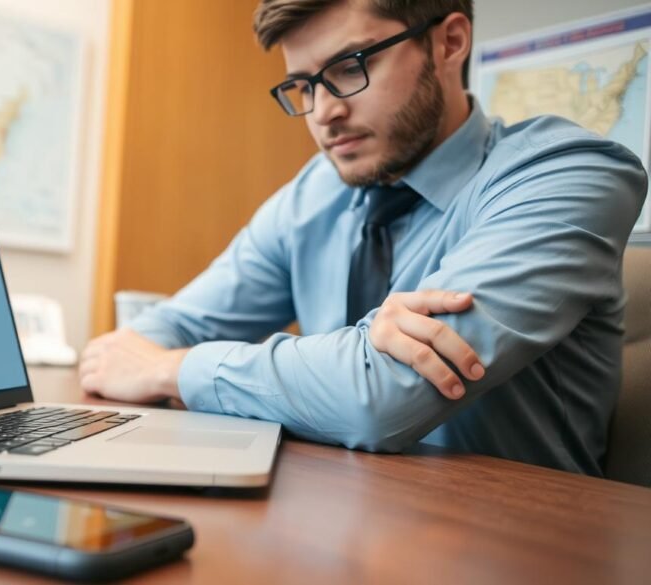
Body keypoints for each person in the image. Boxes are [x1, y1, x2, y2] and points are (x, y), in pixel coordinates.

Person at [79, 0, 647, 475]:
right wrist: (346, 361)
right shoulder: (313, 196)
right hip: (334, 520)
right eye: (302, 85)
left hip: (514, 546)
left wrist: (169, 370)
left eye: (350, 66)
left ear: (449, 43)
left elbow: (382, 399)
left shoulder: (570, 174)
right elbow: (154, 333)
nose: (324, 112)